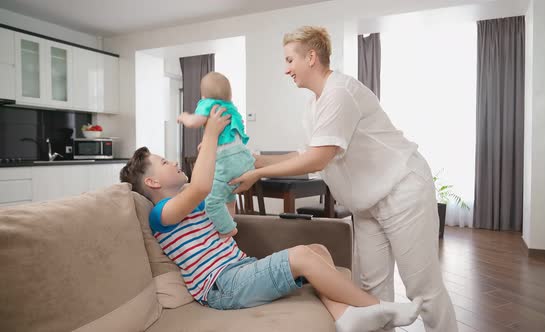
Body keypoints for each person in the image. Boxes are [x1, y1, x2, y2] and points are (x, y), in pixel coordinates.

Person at [229, 26, 458, 332]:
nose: (286, 69)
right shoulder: (314, 106)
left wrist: (257, 172)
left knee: (423, 291)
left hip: (402, 191)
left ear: (311, 57)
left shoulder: (339, 93)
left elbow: (317, 158)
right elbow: (306, 153)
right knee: (372, 290)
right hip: (366, 205)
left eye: (289, 60)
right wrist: (251, 159)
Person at [119, 106, 423, 332]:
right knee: (303, 255)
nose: (171, 161)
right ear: (153, 184)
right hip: (221, 286)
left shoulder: (194, 204)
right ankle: (377, 307)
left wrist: (226, 160)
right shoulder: (162, 214)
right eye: (163, 162)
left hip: (239, 270)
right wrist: (209, 136)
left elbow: (225, 213)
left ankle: (345, 316)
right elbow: (199, 186)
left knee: (318, 250)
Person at [176, 72, 253, 238]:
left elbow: (194, 122)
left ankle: (227, 229)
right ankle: (230, 221)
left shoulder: (207, 103)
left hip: (226, 161)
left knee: (212, 201)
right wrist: (208, 143)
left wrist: (184, 117)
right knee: (229, 196)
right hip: (244, 159)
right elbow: (229, 134)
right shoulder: (230, 106)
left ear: (203, 95)